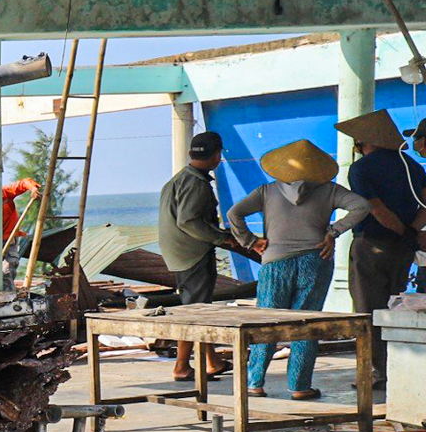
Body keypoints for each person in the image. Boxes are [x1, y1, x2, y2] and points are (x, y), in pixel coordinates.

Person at [226, 139, 371, 400]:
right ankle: (300, 387)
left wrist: (250, 242)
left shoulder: (266, 192)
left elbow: (234, 214)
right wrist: (333, 232)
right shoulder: (329, 190)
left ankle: (255, 383)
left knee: (265, 324)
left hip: (274, 263)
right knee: (305, 324)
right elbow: (362, 206)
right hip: (315, 261)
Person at [337, 108, 426, 387]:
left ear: (366, 143)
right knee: (396, 307)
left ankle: (376, 371)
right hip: (403, 250)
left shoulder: (361, 168)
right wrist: (410, 233)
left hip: (372, 244)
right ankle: (400, 365)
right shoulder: (413, 166)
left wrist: (402, 230)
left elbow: (375, 209)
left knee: (367, 310)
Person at [156, 130, 232, 380]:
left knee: (198, 306)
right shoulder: (197, 184)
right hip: (192, 253)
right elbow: (189, 221)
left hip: (176, 252)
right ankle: (181, 366)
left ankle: (212, 360)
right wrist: (222, 237)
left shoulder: (178, 179)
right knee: (195, 311)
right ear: (217, 156)